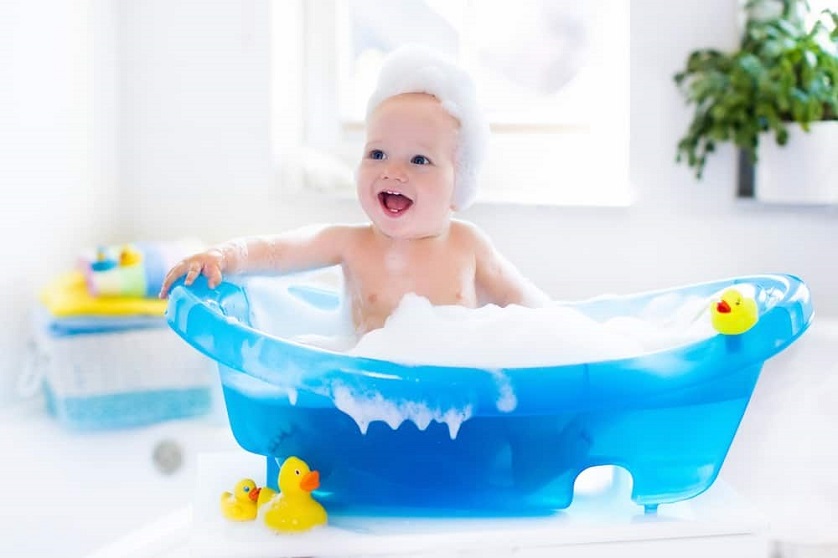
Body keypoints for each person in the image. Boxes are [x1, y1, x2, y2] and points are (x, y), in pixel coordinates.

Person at [159, 45, 550, 335]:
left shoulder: (468, 245)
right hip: (366, 401)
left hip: (457, 406)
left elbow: (535, 314)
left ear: (459, 184)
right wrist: (224, 255)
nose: (392, 171)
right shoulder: (350, 243)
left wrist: (571, 345)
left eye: (419, 160)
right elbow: (279, 251)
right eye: (377, 153)